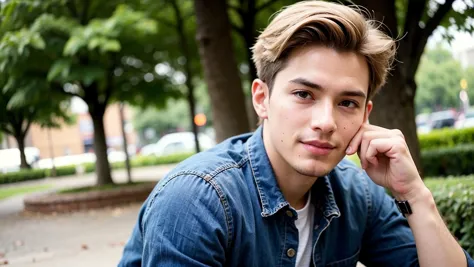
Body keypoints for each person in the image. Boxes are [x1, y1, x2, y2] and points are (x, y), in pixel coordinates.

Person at [119, 1, 474, 266]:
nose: (326, 121)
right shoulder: (198, 200)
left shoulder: (357, 193)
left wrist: (414, 194)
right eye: (304, 94)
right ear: (262, 99)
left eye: (347, 102)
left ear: (366, 115)